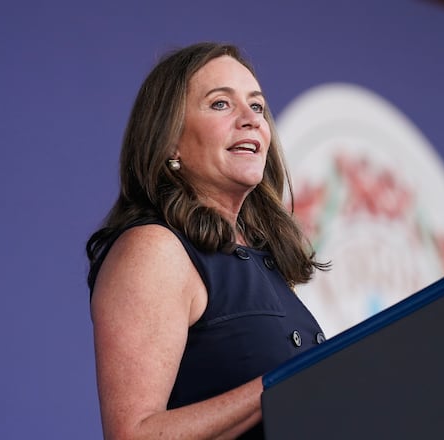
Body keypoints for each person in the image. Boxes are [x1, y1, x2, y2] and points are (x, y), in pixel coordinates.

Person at [86, 42, 329, 439]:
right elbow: (135, 434)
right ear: (169, 141)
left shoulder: (259, 260)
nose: (250, 120)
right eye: (220, 104)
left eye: (257, 107)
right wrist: (279, 384)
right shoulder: (154, 249)